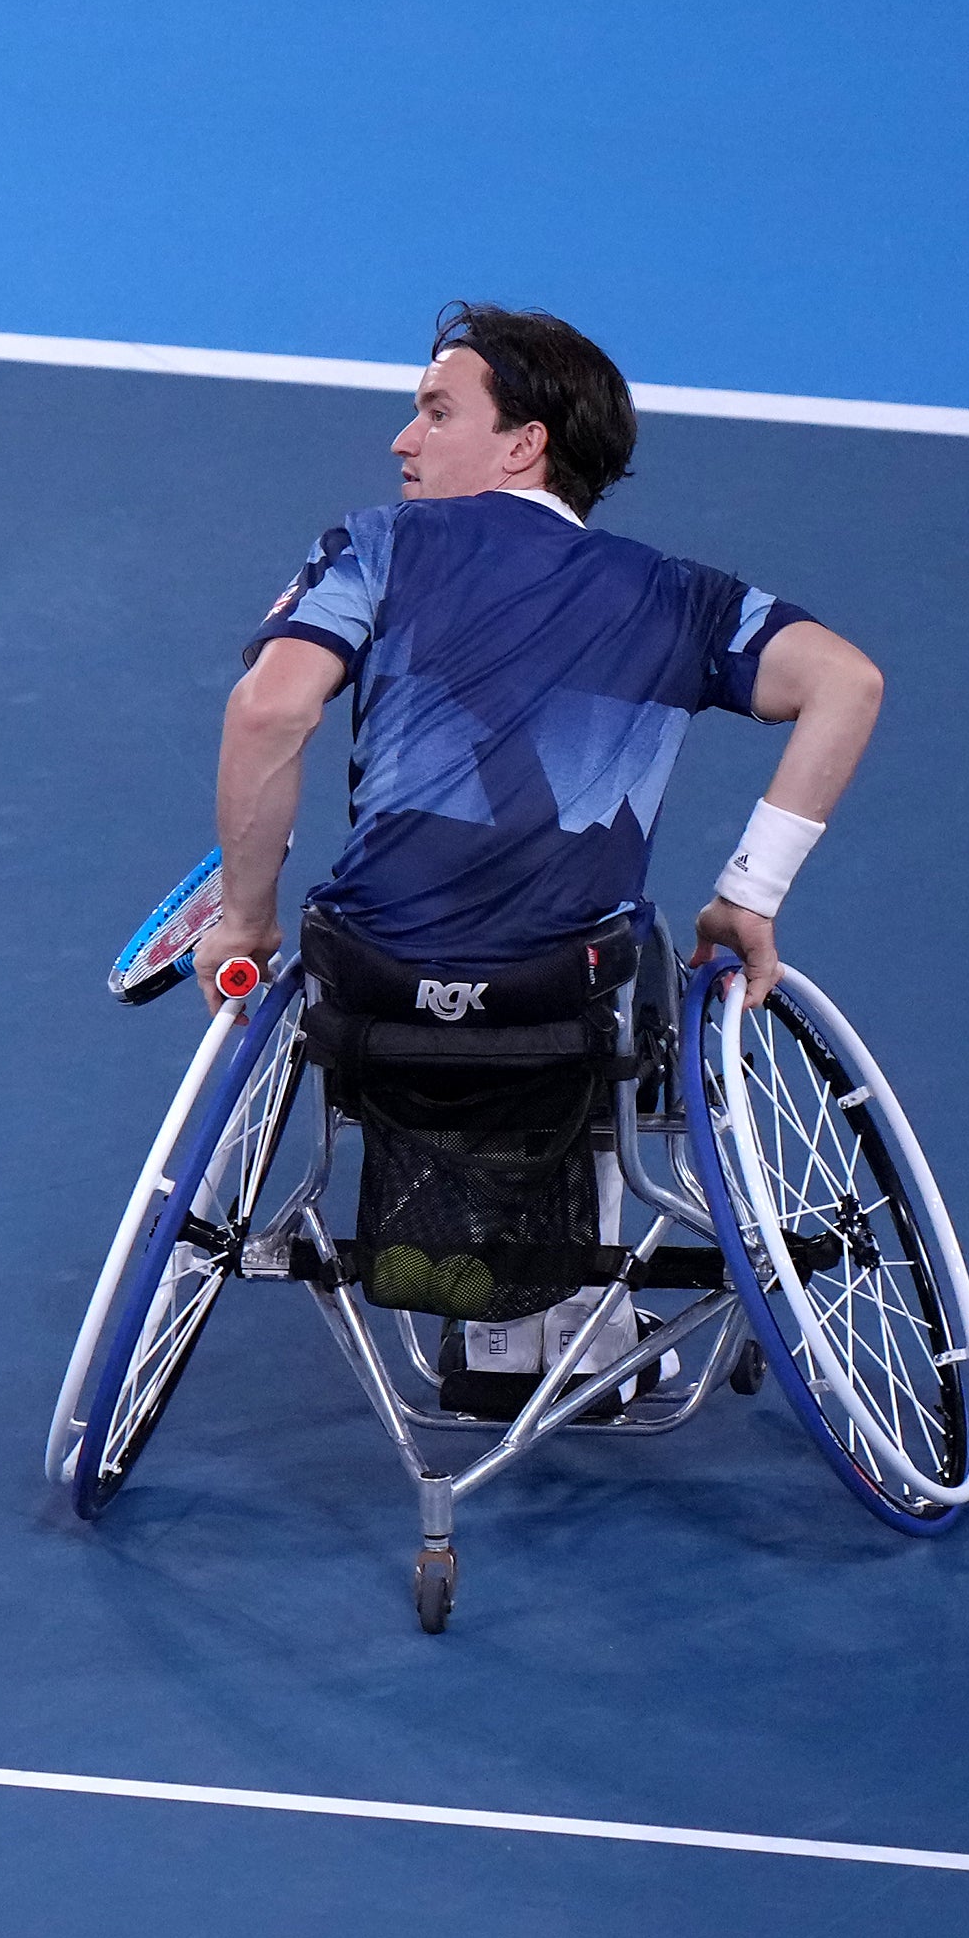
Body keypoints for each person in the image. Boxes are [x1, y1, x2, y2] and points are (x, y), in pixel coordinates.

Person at [188, 305, 883, 1359]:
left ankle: (492, 1304)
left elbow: (267, 710)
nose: (401, 439)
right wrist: (748, 894)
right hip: (558, 988)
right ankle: (566, 1322)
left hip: (367, 975)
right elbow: (848, 680)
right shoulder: (681, 599)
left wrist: (243, 919)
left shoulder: (376, 544)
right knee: (636, 957)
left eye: (434, 411)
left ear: (524, 444)